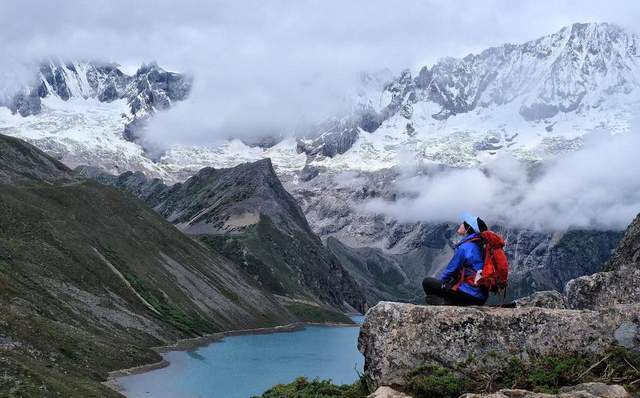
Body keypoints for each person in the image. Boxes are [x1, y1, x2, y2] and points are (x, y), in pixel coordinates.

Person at [422, 212, 488, 306]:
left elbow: (450, 271)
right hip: (480, 297)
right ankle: (448, 301)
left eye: (463, 223)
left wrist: (438, 286)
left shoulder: (466, 247)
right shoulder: (481, 246)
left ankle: (448, 303)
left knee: (428, 282)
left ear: (468, 228)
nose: (460, 224)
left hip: (468, 295)